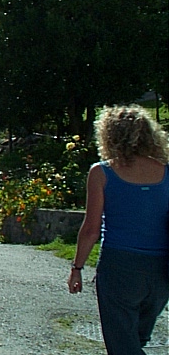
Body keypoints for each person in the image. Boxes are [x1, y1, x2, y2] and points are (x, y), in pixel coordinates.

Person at [67, 105, 169, 354]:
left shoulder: (101, 173)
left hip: (119, 266)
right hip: (161, 269)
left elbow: (91, 229)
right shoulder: (167, 172)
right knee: (135, 338)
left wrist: (77, 268)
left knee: (122, 341)